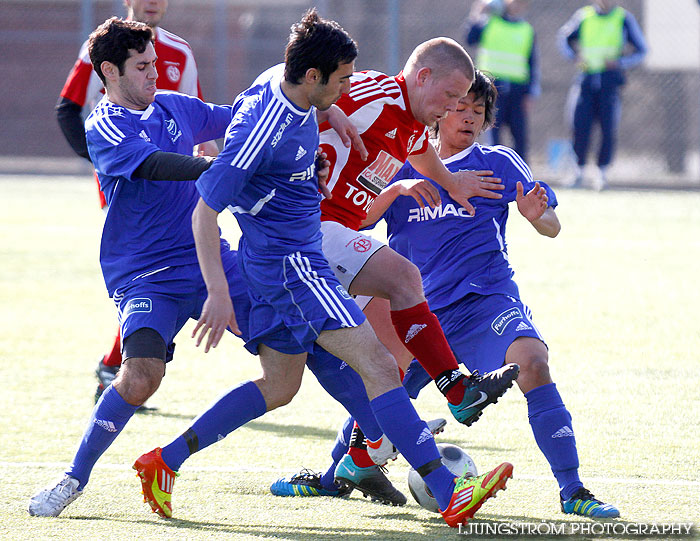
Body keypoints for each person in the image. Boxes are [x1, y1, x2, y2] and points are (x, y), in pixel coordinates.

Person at [132, 11, 513, 529]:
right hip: (295, 259)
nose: (453, 109)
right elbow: (206, 208)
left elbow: (402, 141)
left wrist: (445, 179)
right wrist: (218, 294)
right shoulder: (288, 120)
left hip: (293, 254)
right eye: (341, 80)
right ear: (315, 77)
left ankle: (163, 461)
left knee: (279, 386)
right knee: (381, 356)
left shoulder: (299, 94)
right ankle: (449, 485)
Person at [370, 70, 617, 518]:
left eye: (478, 111)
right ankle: (338, 472)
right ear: (439, 109)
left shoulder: (499, 162)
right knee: (378, 399)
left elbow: (552, 226)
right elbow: (360, 219)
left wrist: (533, 216)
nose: (468, 117)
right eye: (459, 107)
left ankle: (573, 489)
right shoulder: (403, 162)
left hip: (485, 302)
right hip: (417, 314)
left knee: (534, 363)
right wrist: (398, 189)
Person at [316, 37, 520, 452]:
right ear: (422, 76)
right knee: (405, 279)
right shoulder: (373, 94)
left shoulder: (411, 124)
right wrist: (326, 109)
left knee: (364, 364)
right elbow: (290, 99)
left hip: (336, 237)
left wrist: (452, 182)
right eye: (449, 97)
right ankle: (455, 394)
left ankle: (356, 461)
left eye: (464, 102)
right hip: (309, 229)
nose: (451, 109)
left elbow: (420, 149)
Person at [56, 0, 217, 402]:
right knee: (147, 266)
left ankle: (125, 362)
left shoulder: (179, 51)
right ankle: (123, 364)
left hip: (180, 175)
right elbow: (67, 109)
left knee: (166, 266)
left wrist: (215, 166)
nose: (152, 2)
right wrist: (105, 162)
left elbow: (200, 117)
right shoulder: (102, 50)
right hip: (134, 172)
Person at [558, 0, 647, 189]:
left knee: (608, 128)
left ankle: (602, 173)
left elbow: (642, 50)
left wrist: (620, 62)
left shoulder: (623, 19)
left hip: (610, 82)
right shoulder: (584, 16)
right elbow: (564, 38)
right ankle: (578, 171)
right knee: (579, 126)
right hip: (586, 80)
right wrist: (575, 57)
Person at [464, 0, 539, 161]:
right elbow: (470, 38)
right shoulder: (489, 22)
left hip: (518, 90)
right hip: (491, 87)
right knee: (492, 134)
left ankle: (521, 174)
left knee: (519, 136)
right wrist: (477, 12)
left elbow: (532, 63)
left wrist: (530, 93)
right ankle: (491, 173)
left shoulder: (527, 30)